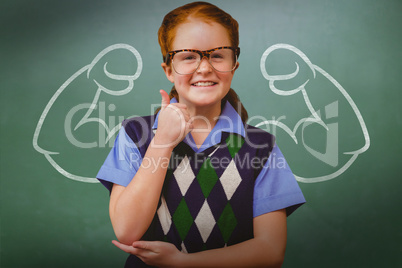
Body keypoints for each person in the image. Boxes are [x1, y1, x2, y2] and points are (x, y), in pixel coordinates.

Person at [97, 1, 305, 267]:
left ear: (234, 66)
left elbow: (270, 251)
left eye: (218, 55)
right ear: (169, 70)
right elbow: (128, 231)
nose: (205, 67)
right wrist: (162, 141)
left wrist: (182, 263)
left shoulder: (261, 147)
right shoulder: (135, 134)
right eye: (188, 56)